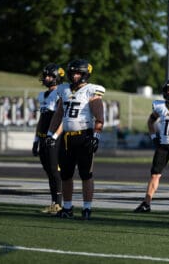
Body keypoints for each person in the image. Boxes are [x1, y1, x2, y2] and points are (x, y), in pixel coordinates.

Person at [46, 59, 105, 220]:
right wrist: (51, 134)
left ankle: (87, 208)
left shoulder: (91, 90)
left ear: (86, 74)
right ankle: (67, 207)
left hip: (84, 136)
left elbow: (99, 116)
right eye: (72, 72)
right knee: (66, 175)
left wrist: (96, 136)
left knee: (86, 174)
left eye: (78, 73)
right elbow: (59, 114)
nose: (74, 75)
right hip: (66, 138)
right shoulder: (64, 89)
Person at [134, 78, 169, 213]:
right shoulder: (159, 106)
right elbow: (150, 122)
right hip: (163, 145)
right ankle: (146, 203)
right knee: (155, 174)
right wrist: (153, 137)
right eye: (168, 90)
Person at [32, 63, 65, 214]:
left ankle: (59, 204)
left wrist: (54, 136)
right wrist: (36, 140)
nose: (46, 78)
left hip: (54, 137)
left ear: (58, 77)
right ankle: (54, 203)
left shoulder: (60, 93)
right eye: (45, 75)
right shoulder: (43, 95)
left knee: (54, 170)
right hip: (44, 137)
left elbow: (61, 118)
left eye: (50, 75)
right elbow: (42, 119)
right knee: (48, 170)